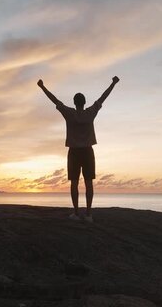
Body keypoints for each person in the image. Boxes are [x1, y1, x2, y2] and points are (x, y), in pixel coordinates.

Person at [37, 76, 120, 222]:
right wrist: (113, 83)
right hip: (88, 151)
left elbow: (55, 100)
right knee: (89, 183)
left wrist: (42, 87)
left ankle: (76, 213)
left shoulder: (69, 113)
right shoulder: (90, 112)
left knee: (74, 182)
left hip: (74, 152)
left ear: (74, 103)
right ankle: (88, 214)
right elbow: (103, 97)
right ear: (84, 102)